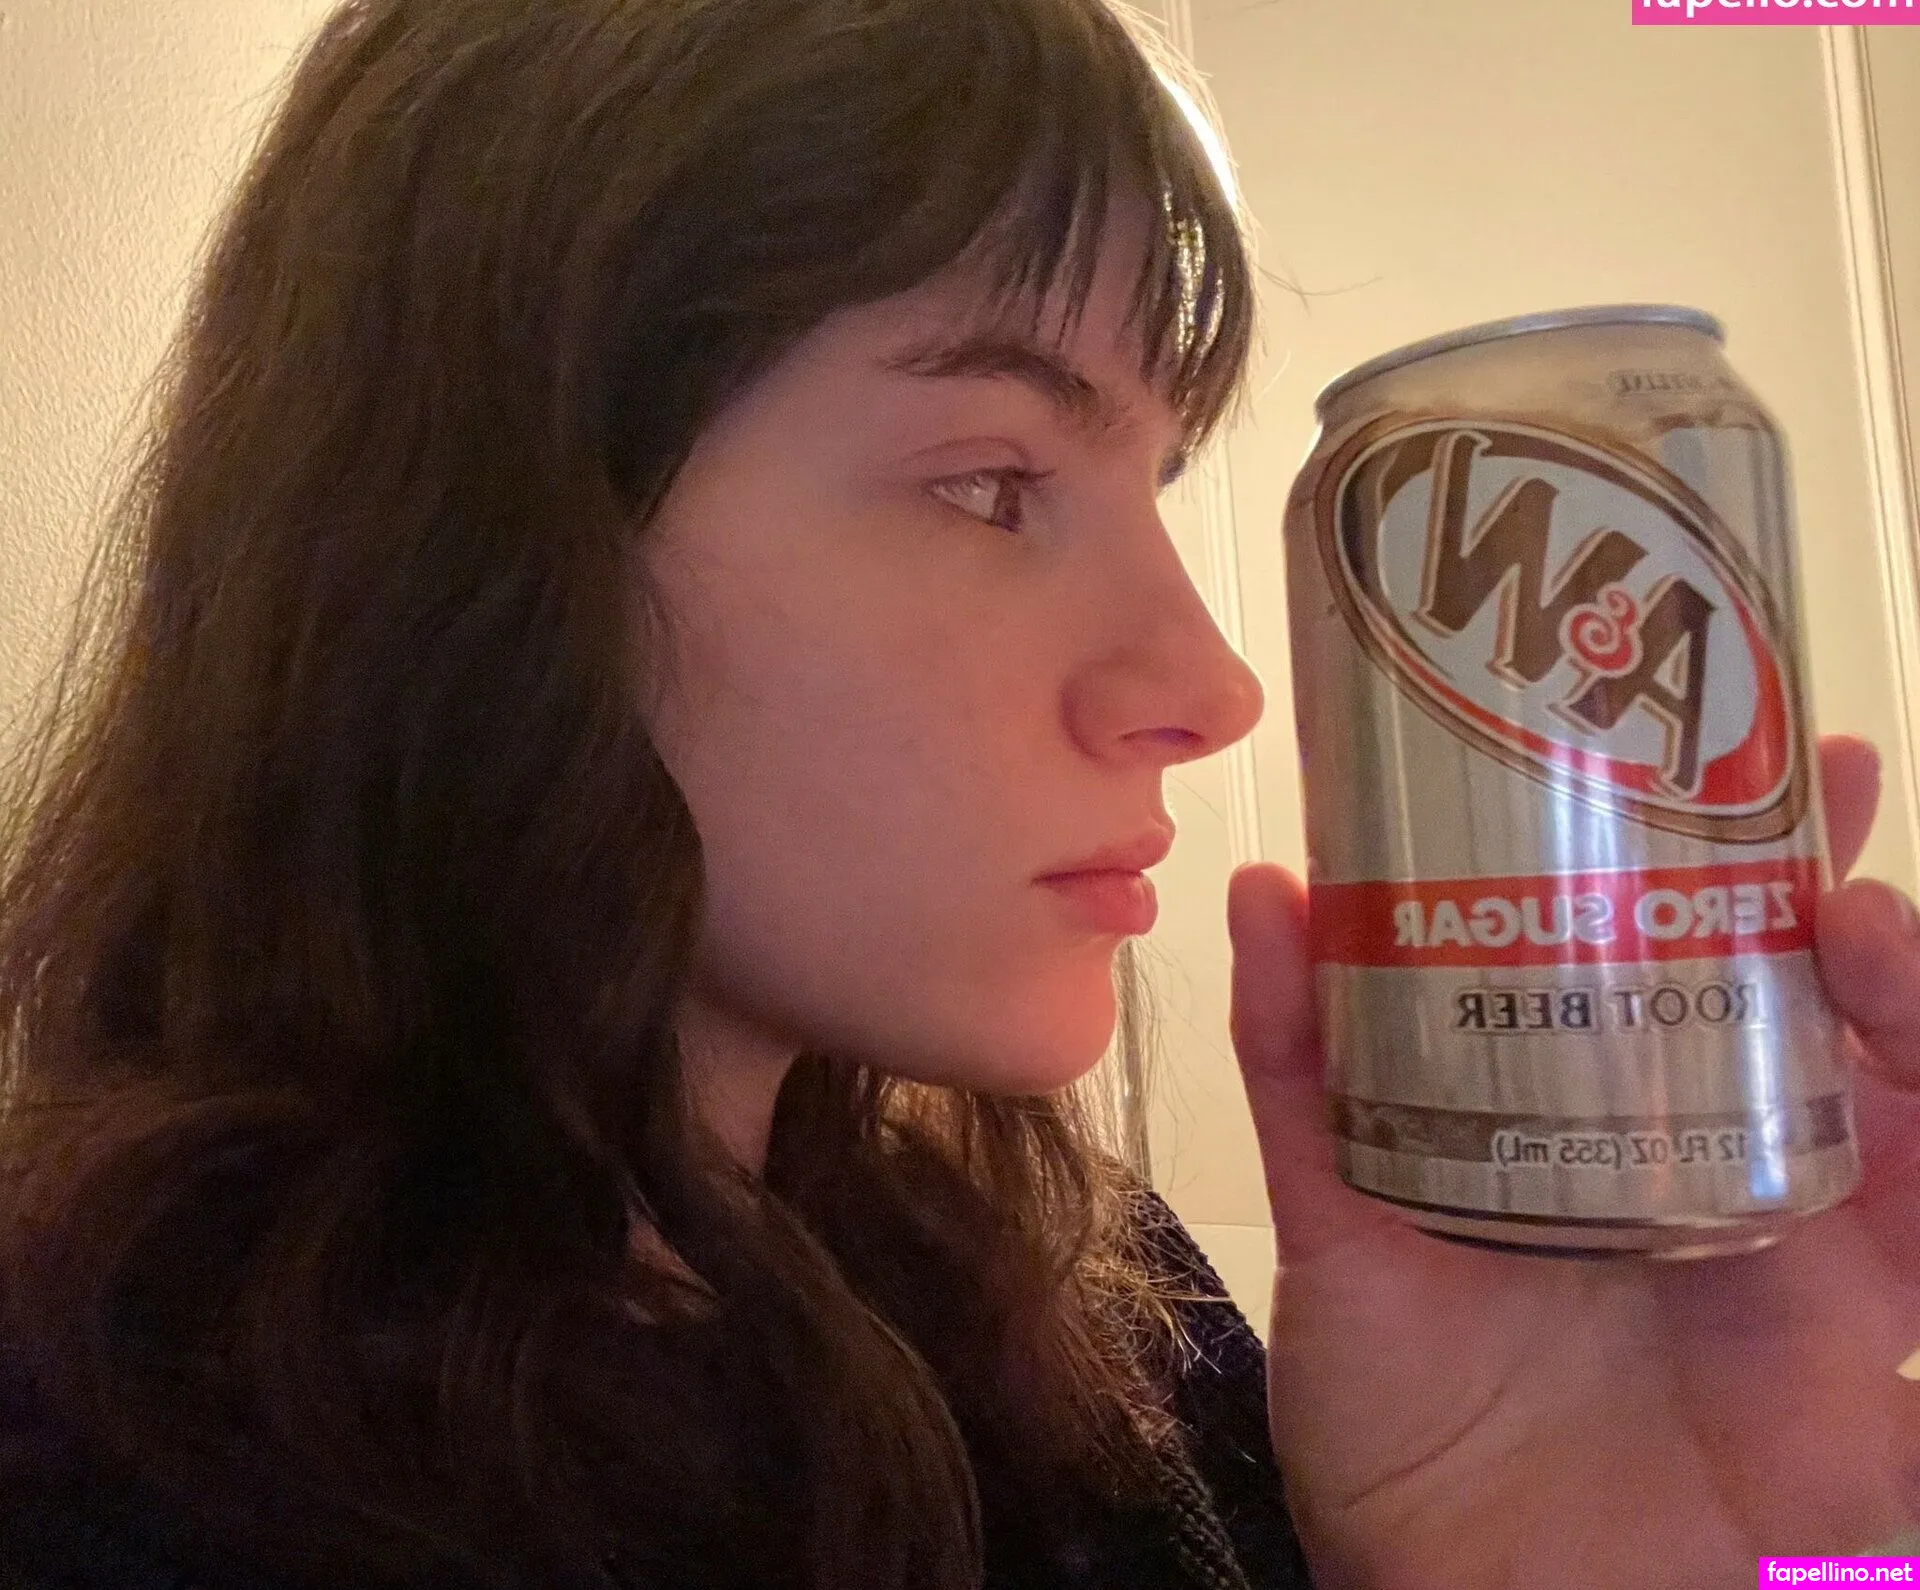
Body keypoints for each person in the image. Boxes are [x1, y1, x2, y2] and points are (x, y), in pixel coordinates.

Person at [0, 0, 1911, 1586]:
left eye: (1159, 483)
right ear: (465, 541)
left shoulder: (1091, 1316)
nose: (1210, 691)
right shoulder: (96, 1452)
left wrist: (1655, 1554)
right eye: (993, 484)